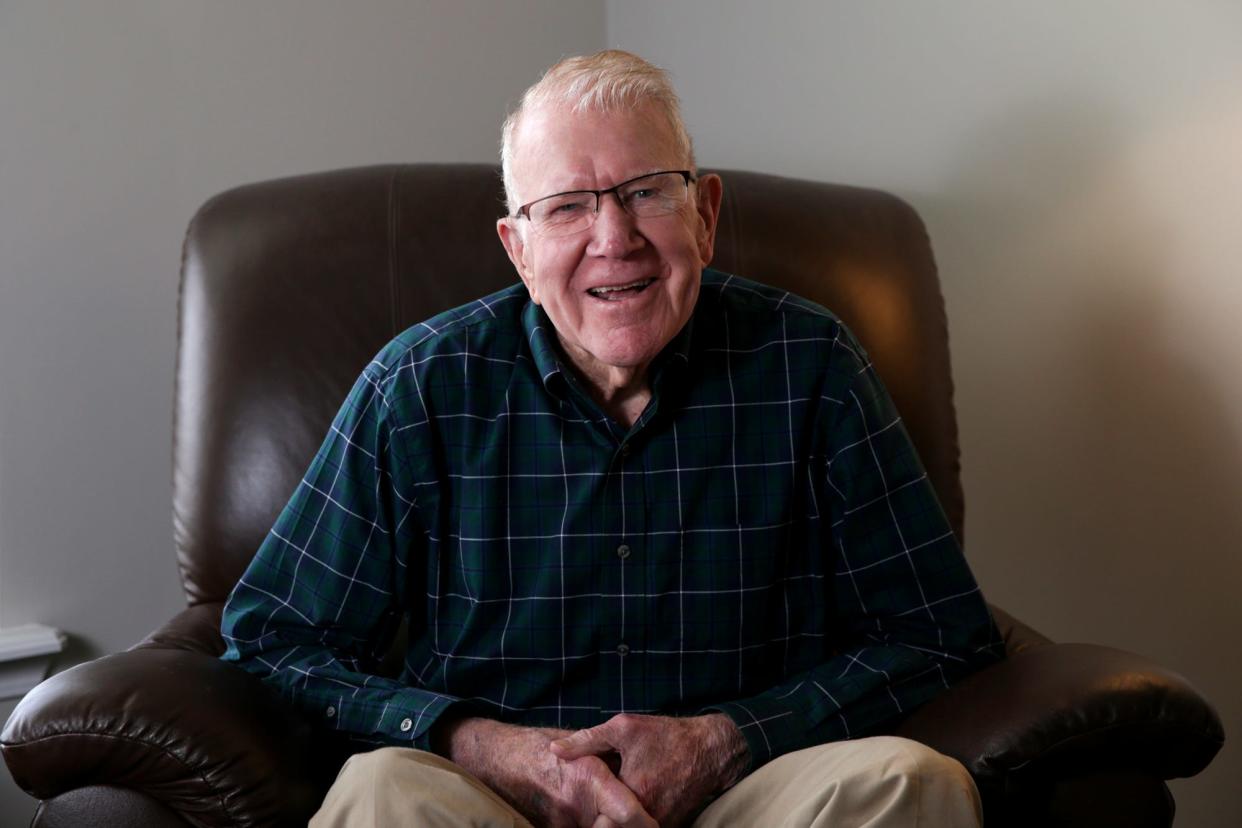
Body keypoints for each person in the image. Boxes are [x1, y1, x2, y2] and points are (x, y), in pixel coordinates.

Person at [221, 49, 1004, 827]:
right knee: (382, 793)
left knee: (910, 781)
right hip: (489, 802)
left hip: (748, 797)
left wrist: (727, 741)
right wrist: (474, 743)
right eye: (567, 206)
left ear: (705, 216)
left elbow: (938, 632)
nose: (614, 236)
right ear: (517, 249)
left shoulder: (812, 366)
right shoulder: (419, 389)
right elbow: (273, 640)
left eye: (647, 192)